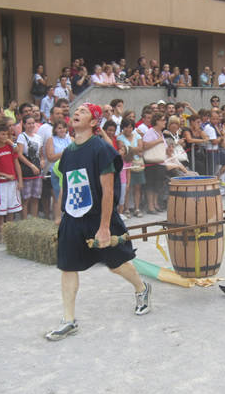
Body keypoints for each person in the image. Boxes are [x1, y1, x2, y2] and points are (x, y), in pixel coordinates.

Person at [45, 103, 152, 342]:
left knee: (115, 264)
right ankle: (68, 320)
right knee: (67, 265)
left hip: (98, 216)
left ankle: (142, 288)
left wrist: (104, 227)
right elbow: (67, 185)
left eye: (83, 111)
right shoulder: (69, 152)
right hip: (73, 217)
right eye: (76, 110)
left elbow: (107, 191)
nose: (76, 113)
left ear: (94, 122)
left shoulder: (101, 149)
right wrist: (61, 216)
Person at [0, 122, 23, 231]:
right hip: (1, 183)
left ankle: (8, 232)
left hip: (13, 181)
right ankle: (2, 232)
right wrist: (5, 175)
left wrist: (20, 180)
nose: (5, 137)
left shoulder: (10, 147)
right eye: (2, 134)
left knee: (11, 209)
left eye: (6, 134)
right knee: (1, 210)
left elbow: (17, 158)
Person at [17, 115, 44, 219]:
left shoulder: (38, 137)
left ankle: (34, 219)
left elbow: (41, 154)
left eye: (33, 123)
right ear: (24, 124)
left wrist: (42, 161)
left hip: (37, 170)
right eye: (29, 123)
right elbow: (19, 154)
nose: (31, 125)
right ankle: (24, 220)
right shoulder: (21, 136)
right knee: (26, 198)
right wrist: (31, 166)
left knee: (36, 197)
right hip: (27, 169)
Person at [46, 119, 72, 225]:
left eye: (63, 127)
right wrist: (64, 153)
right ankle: (57, 219)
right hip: (56, 171)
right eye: (59, 128)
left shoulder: (70, 139)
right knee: (58, 196)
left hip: (68, 171)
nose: (62, 130)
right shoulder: (51, 140)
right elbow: (50, 157)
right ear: (55, 130)